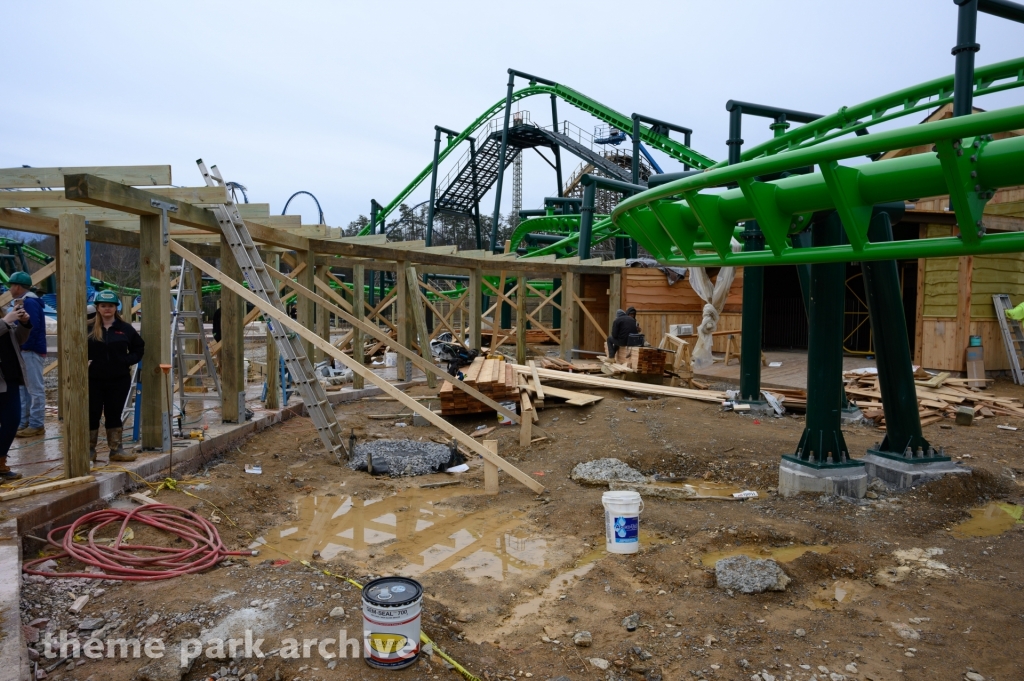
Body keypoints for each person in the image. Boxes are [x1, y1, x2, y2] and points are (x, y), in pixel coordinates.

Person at [88, 290, 144, 464]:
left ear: (115, 308)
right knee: (92, 413)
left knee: (114, 413)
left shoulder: (125, 328)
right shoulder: (88, 328)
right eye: (103, 306)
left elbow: (139, 348)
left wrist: (126, 360)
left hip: (118, 379)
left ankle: (116, 449)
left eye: (110, 306)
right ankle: (89, 450)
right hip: (93, 379)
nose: (107, 309)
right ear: (97, 307)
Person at [8, 272, 47, 438]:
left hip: (29, 351)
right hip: (25, 350)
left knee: (34, 389)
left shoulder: (29, 303)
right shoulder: (23, 302)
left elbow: (33, 327)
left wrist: (24, 346)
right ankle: (24, 422)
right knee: (23, 388)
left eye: (11, 286)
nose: (9, 289)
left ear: (17, 286)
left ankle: (36, 424)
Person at [0, 303, 32, 480]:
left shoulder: (4, 317)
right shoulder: (4, 320)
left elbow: (18, 340)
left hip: (9, 380)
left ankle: (1, 462)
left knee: (12, 421)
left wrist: (24, 324)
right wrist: (5, 321)